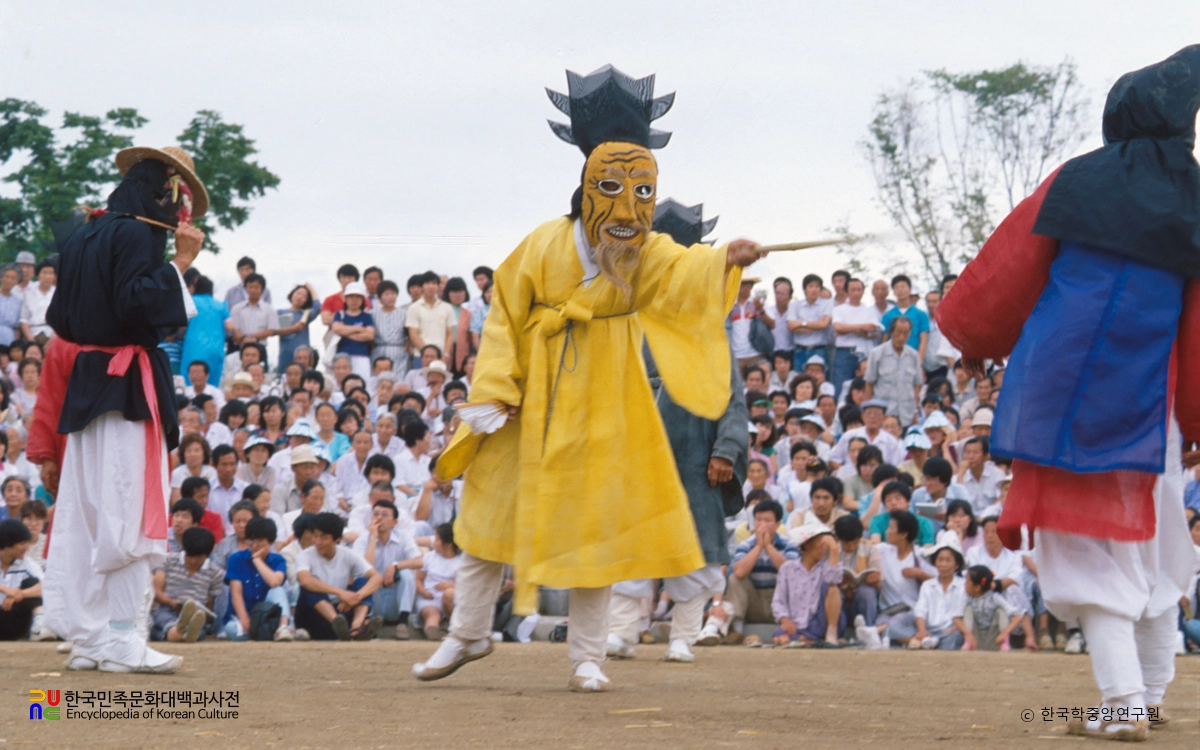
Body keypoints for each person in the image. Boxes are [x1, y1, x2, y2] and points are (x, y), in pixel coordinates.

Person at [414, 66, 763, 691]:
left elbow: (685, 272)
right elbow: (504, 318)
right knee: (488, 518)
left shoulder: (646, 252)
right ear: (587, 188)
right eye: (612, 188)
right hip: (530, 395)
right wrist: (499, 389)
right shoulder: (542, 243)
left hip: (604, 401)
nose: (626, 207)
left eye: (641, 192)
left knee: (596, 536)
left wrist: (723, 262)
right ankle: (466, 633)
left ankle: (587, 657)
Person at [938, 48, 1200, 738]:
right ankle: (1148, 694)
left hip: (1060, 395)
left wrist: (972, 334)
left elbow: (1006, 275)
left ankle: (1124, 704)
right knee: (1154, 544)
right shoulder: (1196, 198)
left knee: (1084, 547)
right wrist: (1195, 417)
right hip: (1152, 404)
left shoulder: (1077, 178)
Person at [39, 144, 207, 673]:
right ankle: (120, 637)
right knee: (127, 512)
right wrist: (180, 264)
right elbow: (137, 302)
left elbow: (60, 315)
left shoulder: (86, 233)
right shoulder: (136, 233)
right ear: (165, 192)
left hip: (90, 381)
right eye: (176, 200)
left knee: (89, 514)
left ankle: (89, 639)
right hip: (125, 385)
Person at [607, 198, 748, 664]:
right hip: (640, 451)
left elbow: (732, 398)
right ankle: (622, 631)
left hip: (693, 452)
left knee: (694, 550)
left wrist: (726, 450)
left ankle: (684, 635)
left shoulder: (708, 325)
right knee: (632, 544)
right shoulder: (627, 316)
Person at [700, 499, 797, 647]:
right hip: (754, 601)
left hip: (780, 601)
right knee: (735, 579)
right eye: (758, 520)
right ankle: (735, 631)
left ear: (777, 524)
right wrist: (758, 546)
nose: (762, 524)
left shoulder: (788, 544)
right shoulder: (746, 544)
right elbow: (739, 572)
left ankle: (711, 629)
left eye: (767, 520)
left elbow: (791, 573)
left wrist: (768, 547)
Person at [295, 512, 383, 641]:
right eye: (315, 536)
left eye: (324, 537)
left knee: (363, 582)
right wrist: (341, 593)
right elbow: (305, 581)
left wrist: (356, 597)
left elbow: (376, 578)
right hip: (313, 615)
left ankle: (356, 627)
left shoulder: (348, 554)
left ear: (337, 539)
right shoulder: (304, 555)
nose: (317, 542)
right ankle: (337, 623)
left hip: (341, 609)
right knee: (310, 586)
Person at [857, 510, 934, 649]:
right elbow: (863, 545)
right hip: (887, 611)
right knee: (883, 623)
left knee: (895, 623)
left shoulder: (920, 555)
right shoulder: (882, 550)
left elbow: (939, 581)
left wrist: (920, 574)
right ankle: (913, 641)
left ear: (904, 534)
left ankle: (875, 633)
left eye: (891, 528)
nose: (887, 531)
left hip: (910, 611)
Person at [353, 499, 423, 639]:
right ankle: (368, 622)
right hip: (374, 597)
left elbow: (419, 561)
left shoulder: (404, 537)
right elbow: (364, 568)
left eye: (384, 514)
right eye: (376, 514)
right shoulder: (362, 541)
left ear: (394, 522)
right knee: (363, 578)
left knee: (407, 574)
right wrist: (373, 538)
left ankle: (402, 623)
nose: (379, 518)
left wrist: (395, 566)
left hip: (395, 597)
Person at [224, 517, 297, 641]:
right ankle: (267, 633)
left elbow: (275, 582)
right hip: (244, 615)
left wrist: (257, 560)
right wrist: (245, 619)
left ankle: (283, 627)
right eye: (251, 540)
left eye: (260, 540)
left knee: (277, 590)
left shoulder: (278, 559)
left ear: (270, 541)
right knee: (232, 630)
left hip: (268, 616)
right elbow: (236, 593)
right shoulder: (236, 559)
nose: (254, 545)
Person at [771, 521, 844, 646]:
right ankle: (810, 640)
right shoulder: (788, 568)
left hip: (822, 620)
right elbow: (778, 600)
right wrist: (785, 619)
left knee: (831, 586)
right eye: (820, 543)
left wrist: (834, 548)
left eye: (825, 544)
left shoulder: (826, 567)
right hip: (798, 624)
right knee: (778, 634)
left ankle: (826, 636)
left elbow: (834, 580)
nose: (823, 548)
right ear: (807, 544)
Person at [149, 526, 222, 643]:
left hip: (196, 615)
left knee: (196, 625)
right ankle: (185, 631)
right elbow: (156, 591)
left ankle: (184, 629)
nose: (193, 561)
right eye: (190, 556)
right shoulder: (169, 560)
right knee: (167, 622)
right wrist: (172, 602)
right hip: (167, 609)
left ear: (207, 555)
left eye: (199, 557)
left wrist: (204, 614)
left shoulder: (215, 573)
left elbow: (209, 604)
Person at [909, 534, 969, 650]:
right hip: (929, 632)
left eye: (948, 560)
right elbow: (921, 611)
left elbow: (964, 615)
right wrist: (922, 631)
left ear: (956, 565)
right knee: (894, 628)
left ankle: (929, 644)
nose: (943, 564)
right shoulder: (927, 585)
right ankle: (926, 642)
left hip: (950, 632)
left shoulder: (963, 586)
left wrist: (955, 629)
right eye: (940, 560)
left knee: (956, 637)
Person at [865, 316, 922, 427]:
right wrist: (869, 412)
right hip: (884, 416)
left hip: (906, 415)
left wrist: (915, 411)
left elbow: (917, 384)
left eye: (906, 333)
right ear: (891, 332)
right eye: (898, 332)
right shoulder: (877, 353)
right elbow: (869, 384)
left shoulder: (913, 355)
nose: (901, 337)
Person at [830, 278, 879, 399]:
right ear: (847, 291)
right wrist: (861, 328)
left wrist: (847, 329)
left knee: (865, 387)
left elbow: (873, 330)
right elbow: (838, 327)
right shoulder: (838, 309)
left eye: (859, 290)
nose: (856, 293)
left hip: (864, 354)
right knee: (841, 387)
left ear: (863, 291)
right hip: (844, 353)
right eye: (853, 290)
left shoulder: (870, 310)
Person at [0, 519, 46, 640]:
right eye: (22, 544)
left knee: (31, 583)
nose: (27, 547)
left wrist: (19, 594)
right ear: (8, 543)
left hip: (14, 619)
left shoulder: (27, 563)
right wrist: (4, 589)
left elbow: (46, 586)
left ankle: (39, 627)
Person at [415, 522, 462, 640]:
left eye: (437, 539)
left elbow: (468, 586)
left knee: (449, 594)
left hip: (451, 601)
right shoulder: (429, 557)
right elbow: (418, 579)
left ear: (449, 544)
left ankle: (456, 627)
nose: (433, 542)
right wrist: (423, 591)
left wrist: (452, 585)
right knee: (432, 614)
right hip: (430, 599)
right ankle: (432, 629)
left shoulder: (461, 562)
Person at [181, 276, 228, 389]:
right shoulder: (221, 305)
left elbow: (182, 324)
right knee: (212, 383)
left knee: (190, 382)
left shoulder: (190, 302)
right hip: (216, 347)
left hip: (193, 347)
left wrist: (180, 335)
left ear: (194, 287)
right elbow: (230, 326)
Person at [962, 565, 1022, 652]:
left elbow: (1017, 616)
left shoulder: (994, 598)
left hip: (994, 638)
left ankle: (1004, 643)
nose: (964, 584)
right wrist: (968, 633)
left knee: (1001, 611)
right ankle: (968, 642)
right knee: (968, 610)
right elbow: (957, 617)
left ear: (977, 587)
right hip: (975, 637)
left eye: (967, 581)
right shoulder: (967, 599)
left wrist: (1005, 633)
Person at [405, 272, 456, 366]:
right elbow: (413, 334)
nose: (431, 286)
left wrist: (445, 354)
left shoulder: (447, 307)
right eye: (427, 283)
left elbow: (450, 334)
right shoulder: (414, 308)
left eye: (434, 283)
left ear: (438, 286)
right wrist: (427, 353)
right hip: (420, 356)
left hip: (441, 356)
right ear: (422, 287)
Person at [880, 274, 930, 366]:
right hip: (892, 360)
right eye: (897, 288)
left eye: (903, 287)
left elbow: (923, 339)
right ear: (894, 292)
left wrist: (919, 361)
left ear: (910, 290)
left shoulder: (921, 314)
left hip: (913, 359)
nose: (900, 290)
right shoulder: (887, 315)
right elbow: (884, 339)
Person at [787, 273, 833, 371]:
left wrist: (801, 323)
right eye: (811, 286)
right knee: (799, 379)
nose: (814, 289)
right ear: (805, 289)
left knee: (819, 379)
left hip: (819, 350)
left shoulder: (827, 304)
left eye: (817, 286)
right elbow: (791, 327)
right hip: (800, 350)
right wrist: (817, 325)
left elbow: (824, 324)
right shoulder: (795, 305)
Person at [331, 281, 375, 379]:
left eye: (358, 297)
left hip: (361, 357)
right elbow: (336, 328)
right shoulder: (339, 314)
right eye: (351, 297)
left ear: (362, 299)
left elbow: (369, 335)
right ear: (345, 298)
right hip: (342, 358)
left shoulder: (367, 316)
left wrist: (345, 331)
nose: (354, 300)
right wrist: (360, 329)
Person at [276, 284, 320, 371]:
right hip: (286, 354)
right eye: (298, 293)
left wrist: (311, 288)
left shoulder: (305, 314)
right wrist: (294, 328)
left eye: (304, 296)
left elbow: (318, 307)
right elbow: (275, 331)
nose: (299, 297)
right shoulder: (282, 312)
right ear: (292, 294)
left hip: (303, 357)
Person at [226, 273, 279, 346]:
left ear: (262, 289)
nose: (253, 290)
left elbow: (271, 330)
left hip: (260, 346)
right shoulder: (236, 308)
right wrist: (244, 339)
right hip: (240, 346)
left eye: (256, 287)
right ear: (246, 288)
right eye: (250, 287)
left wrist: (250, 338)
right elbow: (234, 329)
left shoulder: (269, 310)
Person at [19, 258, 56, 344]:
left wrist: (52, 340)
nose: (48, 276)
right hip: (33, 333)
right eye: (44, 273)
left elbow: (61, 320)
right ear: (37, 275)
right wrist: (31, 341)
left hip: (53, 335)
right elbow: (24, 319)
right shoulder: (28, 292)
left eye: (51, 273)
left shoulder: (58, 293)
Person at [0, 265, 23, 347]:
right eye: (7, 277)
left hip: (8, 339)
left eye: (13, 278)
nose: (9, 280)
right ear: (1, 278)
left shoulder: (17, 302)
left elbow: (17, 328)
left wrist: (15, 345)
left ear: (17, 281)